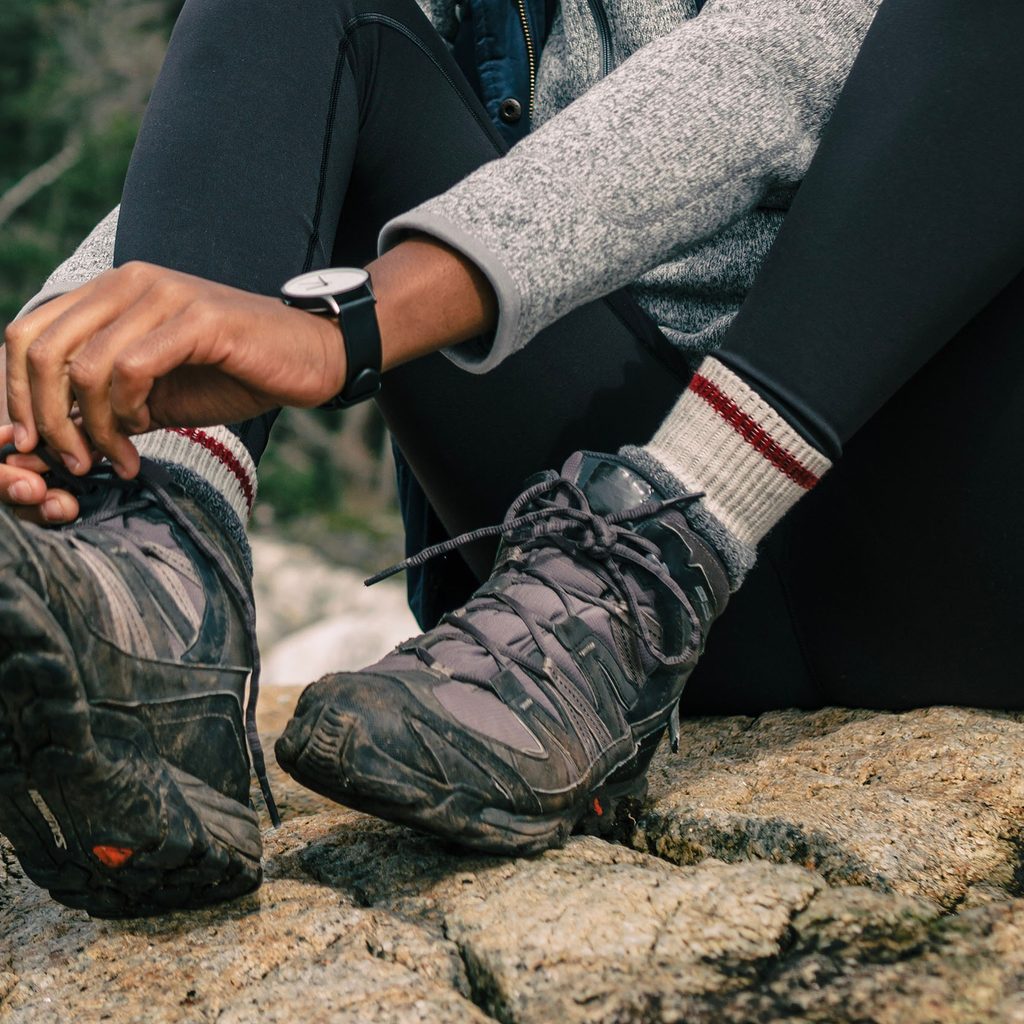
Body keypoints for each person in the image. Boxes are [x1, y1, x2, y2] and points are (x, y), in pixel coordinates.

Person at [0, 0, 1018, 918]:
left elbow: (771, 70)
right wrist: (54, 385)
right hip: (568, 610)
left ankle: (665, 534)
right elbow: (258, 131)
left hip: (918, 533)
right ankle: (154, 611)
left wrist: (349, 320)